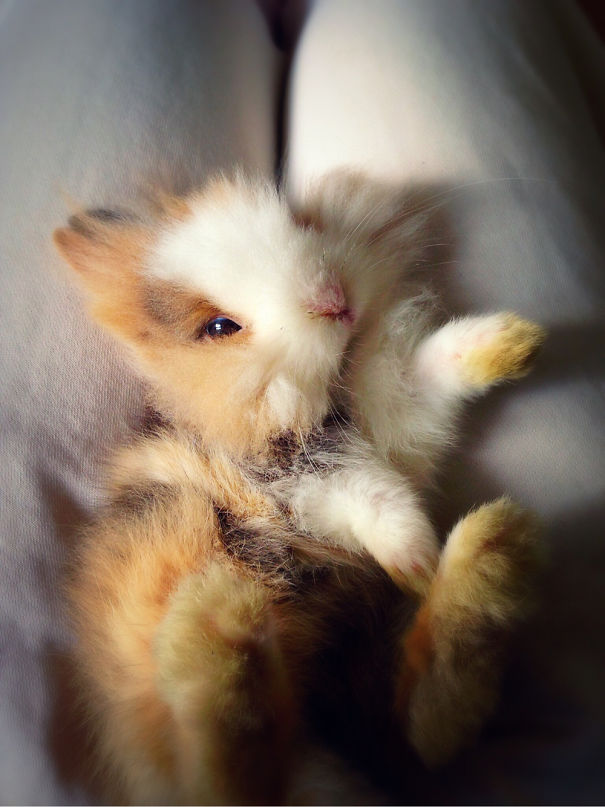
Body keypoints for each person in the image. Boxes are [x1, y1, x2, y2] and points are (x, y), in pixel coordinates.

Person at [1, 1, 603, 802]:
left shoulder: (345, 363)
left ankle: (410, 672)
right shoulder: (204, 430)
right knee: (163, 582)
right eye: (221, 325)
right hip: (235, 549)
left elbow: (380, 450)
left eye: (296, 227)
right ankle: (223, 735)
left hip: (352, 611)